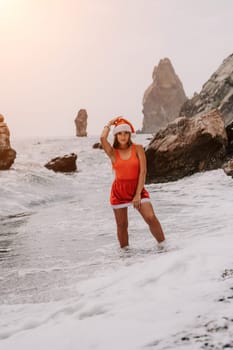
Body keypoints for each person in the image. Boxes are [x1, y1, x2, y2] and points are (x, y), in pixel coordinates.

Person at [100, 116, 166, 249]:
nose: (123, 136)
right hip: (119, 192)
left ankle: (164, 246)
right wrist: (109, 123)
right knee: (122, 225)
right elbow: (102, 138)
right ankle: (126, 255)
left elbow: (143, 172)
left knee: (151, 217)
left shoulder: (138, 148)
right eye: (119, 133)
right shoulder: (113, 153)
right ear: (116, 135)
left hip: (138, 189)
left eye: (125, 133)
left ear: (129, 135)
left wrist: (137, 194)